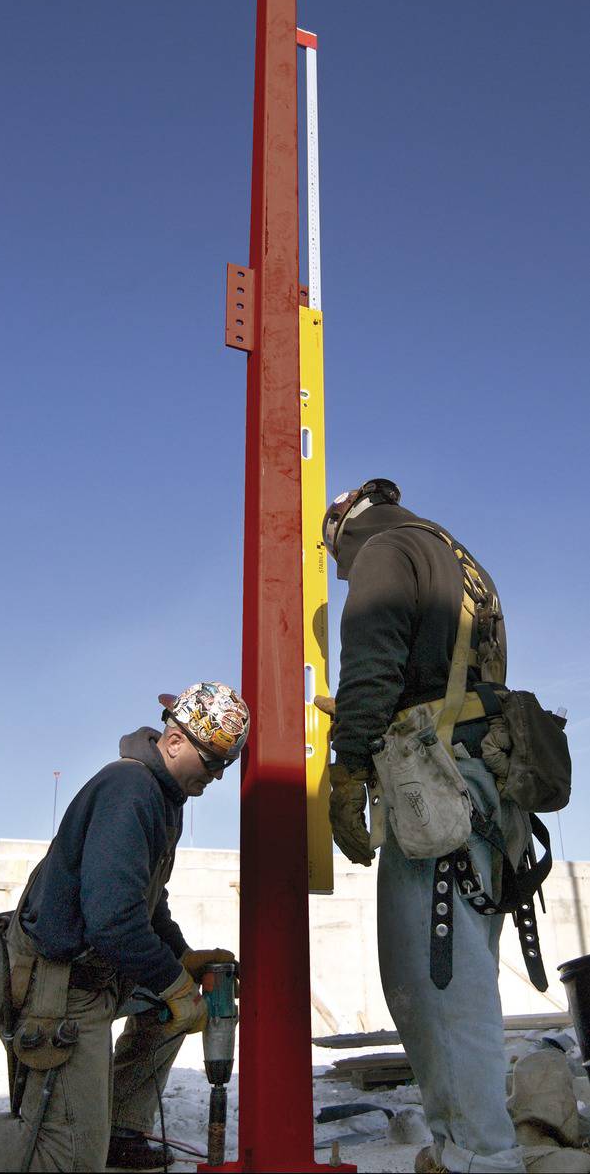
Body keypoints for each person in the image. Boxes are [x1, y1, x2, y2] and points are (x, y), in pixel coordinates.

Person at [319, 478, 528, 1174]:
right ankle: (465, 1143)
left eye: (336, 560)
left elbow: (370, 666)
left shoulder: (385, 549)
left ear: (345, 526)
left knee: (431, 982)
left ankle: (478, 1156)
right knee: (466, 979)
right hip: (491, 784)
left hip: (436, 788)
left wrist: (348, 767)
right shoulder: (459, 559)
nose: (344, 572)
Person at [0, 681, 249, 1174]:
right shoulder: (129, 790)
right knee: (62, 1159)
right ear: (175, 741)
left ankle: (115, 1129)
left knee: (169, 1008)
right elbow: (113, 920)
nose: (218, 776)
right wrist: (175, 986)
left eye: (227, 764)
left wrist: (181, 959)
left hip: (99, 975)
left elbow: (148, 906)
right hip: (60, 988)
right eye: (214, 761)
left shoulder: (162, 797)